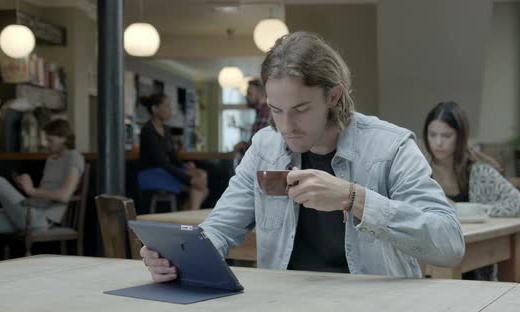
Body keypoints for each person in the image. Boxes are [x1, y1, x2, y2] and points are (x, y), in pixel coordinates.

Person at [141, 32, 464, 281]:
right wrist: (177, 258)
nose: (285, 126)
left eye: (300, 109)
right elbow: (220, 229)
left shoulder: (391, 147)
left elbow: (449, 245)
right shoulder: (265, 147)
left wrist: (355, 198)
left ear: (334, 96)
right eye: (276, 111)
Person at [422, 101, 520, 280]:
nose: (438, 142)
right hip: (428, 264)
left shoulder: (478, 171)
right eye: (432, 134)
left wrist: (465, 211)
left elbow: (519, 206)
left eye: (446, 135)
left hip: (475, 268)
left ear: (460, 136)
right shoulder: (420, 171)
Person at [0, 119, 85, 233]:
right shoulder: (51, 159)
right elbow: (40, 193)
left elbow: (64, 195)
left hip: (43, 218)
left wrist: (31, 190)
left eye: (50, 140)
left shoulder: (74, 157)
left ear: (64, 138)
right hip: (31, 210)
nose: (47, 145)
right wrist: (25, 186)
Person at [139, 93, 209, 211]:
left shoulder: (166, 129)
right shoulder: (148, 130)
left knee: (201, 176)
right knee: (199, 187)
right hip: (151, 174)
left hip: (165, 171)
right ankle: (189, 223)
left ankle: (186, 220)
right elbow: (162, 162)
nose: (170, 110)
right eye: (166, 106)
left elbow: (171, 155)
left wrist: (184, 166)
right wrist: (189, 179)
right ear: (154, 109)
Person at [233, 78, 270, 154]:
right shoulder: (260, 113)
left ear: (260, 94)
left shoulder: (265, 113)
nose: (246, 97)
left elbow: (259, 149)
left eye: (249, 93)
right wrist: (245, 145)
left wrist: (243, 148)